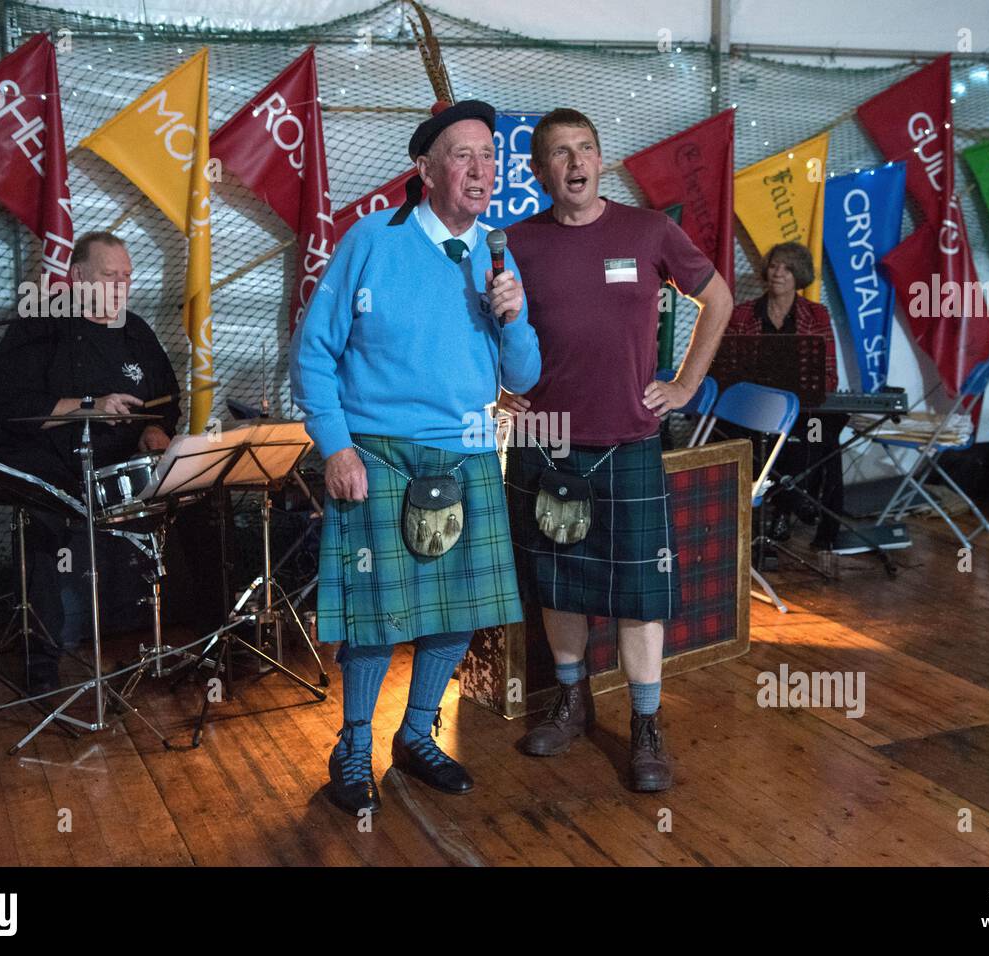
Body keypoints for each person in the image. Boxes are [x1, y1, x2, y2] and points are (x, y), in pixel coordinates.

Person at [291, 99, 541, 817]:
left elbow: (522, 377)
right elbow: (313, 352)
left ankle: (416, 734)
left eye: (489, 156)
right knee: (374, 619)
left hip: (465, 454)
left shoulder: (495, 255)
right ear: (426, 169)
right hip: (378, 456)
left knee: (458, 612)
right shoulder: (370, 241)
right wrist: (335, 446)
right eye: (464, 155)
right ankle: (352, 745)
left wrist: (515, 316)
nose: (481, 169)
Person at [501, 108, 733, 792]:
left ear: (602, 160)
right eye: (558, 154)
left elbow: (718, 299)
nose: (574, 162)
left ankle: (645, 724)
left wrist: (687, 381)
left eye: (585, 149)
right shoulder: (513, 242)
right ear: (539, 172)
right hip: (547, 439)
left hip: (629, 437)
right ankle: (572, 700)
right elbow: (491, 329)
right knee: (558, 581)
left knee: (639, 594)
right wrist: (496, 388)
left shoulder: (650, 230)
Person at [0, 231, 180, 691]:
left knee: (193, 497)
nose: (121, 286)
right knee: (41, 530)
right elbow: (15, 409)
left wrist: (157, 431)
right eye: (109, 276)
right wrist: (90, 406)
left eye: (127, 277)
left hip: (121, 471)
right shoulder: (36, 327)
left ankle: (162, 640)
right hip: (48, 470)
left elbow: (167, 401)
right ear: (77, 277)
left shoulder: (136, 331)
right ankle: (42, 665)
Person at [727, 241, 845, 550]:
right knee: (770, 436)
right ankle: (793, 502)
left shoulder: (816, 316)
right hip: (753, 407)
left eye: (787, 268)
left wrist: (805, 389)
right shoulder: (742, 315)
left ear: (799, 276)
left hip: (800, 407)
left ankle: (790, 509)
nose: (778, 273)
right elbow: (727, 369)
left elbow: (829, 375)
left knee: (823, 435)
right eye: (775, 265)